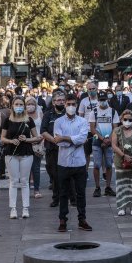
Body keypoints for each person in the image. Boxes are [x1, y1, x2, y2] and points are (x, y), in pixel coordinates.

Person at [55, 94, 93, 232]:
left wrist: (65, 138)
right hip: (63, 162)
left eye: (73, 104)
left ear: (76, 105)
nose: (71, 107)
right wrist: (74, 140)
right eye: (68, 104)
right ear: (64, 105)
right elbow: (58, 141)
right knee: (63, 193)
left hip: (79, 162)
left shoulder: (83, 121)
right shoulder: (58, 122)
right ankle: (62, 219)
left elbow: (82, 138)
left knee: (81, 193)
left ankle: (82, 219)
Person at [1, 96, 42, 219]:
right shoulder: (7, 120)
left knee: (24, 181)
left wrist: (27, 139)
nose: (18, 106)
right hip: (11, 153)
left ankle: (25, 208)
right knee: (13, 181)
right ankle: (13, 209)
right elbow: (2, 138)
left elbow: (37, 137)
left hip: (26, 153)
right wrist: (10, 141)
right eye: (16, 104)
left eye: (20, 104)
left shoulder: (29, 120)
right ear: (12, 106)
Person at [41, 92, 74, 207]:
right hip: (52, 148)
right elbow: (43, 131)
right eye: (58, 100)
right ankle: (56, 198)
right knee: (54, 175)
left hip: (67, 148)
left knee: (69, 173)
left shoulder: (69, 113)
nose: (60, 102)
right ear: (54, 102)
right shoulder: (48, 114)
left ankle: (72, 197)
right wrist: (54, 140)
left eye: (62, 100)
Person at [111, 110, 132, 216]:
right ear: (121, 120)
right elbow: (114, 145)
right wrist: (123, 155)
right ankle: (122, 206)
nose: (127, 121)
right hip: (121, 161)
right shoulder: (117, 130)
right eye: (125, 119)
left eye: (130, 119)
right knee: (121, 184)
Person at [89, 91, 119, 197]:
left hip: (110, 141)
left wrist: (109, 139)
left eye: (104, 100)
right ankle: (97, 188)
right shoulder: (94, 112)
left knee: (109, 165)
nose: (103, 102)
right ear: (98, 101)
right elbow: (92, 129)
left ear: (107, 100)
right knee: (97, 165)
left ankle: (108, 187)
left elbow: (115, 127)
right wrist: (102, 139)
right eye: (101, 100)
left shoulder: (113, 112)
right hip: (97, 140)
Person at [25, 96, 44, 198]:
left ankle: (36, 189)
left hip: (38, 143)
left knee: (36, 168)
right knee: (26, 168)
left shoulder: (40, 114)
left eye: (32, 104)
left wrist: (41, 139)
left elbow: (43, 127)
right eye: (28, 104)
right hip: (26, 143)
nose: (30, 106)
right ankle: (26, 189)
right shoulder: (22, 115)